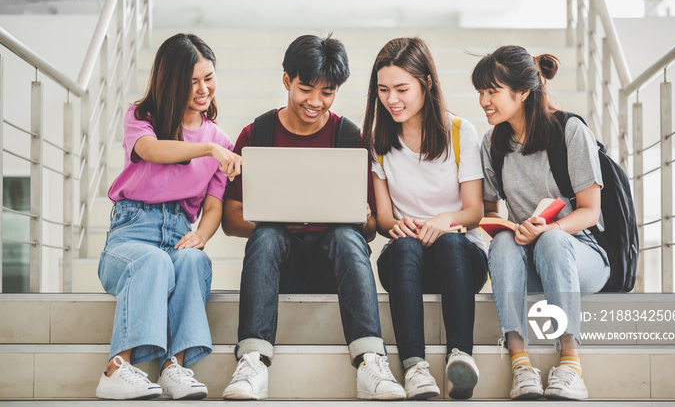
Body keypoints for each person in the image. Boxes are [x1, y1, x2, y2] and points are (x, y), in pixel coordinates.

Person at [220, 34, 406, 401]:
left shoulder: (350, 138)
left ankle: (370, 360)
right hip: (280, 262)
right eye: (307, 89)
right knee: (267, 235)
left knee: (347, 236)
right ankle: (253, 360)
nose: (316, 102)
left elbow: (369, 231)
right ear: (287, 80)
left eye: (328, 92)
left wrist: (362, 217)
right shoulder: (257, 135)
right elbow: (229, 220)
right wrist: (276, 219)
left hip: (331, 266)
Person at [95, 33, 241, 400]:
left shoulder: (222, 142)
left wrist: (202, 236)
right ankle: (116, 368)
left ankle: (175, 366)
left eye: (208, 78)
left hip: (177, 232)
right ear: (171, 82)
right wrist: (207, 148)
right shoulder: (143, 117)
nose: (203, 89)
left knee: (192, 261)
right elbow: (151, 151)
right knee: (154, 261)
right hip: (130, 235)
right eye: (191, 81)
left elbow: (213, 205)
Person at [472, 45, 610, 401]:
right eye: (481, 92)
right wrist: (505, 228)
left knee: (551, 243)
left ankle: (570, 364)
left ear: (522, 92)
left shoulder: (569, 131)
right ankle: (521, 364)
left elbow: (590, 211)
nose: (484, 101)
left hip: (581, 256)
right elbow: (489, 213)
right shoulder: (493, 143)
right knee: (502, 243)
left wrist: (550, 230)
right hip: (527, 254)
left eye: (493, 91)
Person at [362, 37, 489, 400]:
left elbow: (474, 212)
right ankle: (415, 368)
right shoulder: (377, 143)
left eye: (402, 89)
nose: (392, 99)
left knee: (450, 240)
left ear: (427, 83)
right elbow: (385, 218)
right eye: (383, 90)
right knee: (402, 248)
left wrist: (443, 220)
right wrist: (397, 227)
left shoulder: (460, 132)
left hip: (460, 259)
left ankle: (461, 357)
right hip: (408, 263)